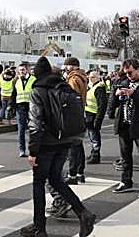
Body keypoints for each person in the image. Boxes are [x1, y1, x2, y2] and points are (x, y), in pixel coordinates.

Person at [22, 57, 96, 237]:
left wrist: (32, 151)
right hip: (65, 140)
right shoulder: (64, 86)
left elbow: (35, 125)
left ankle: (39, 227)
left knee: (39, 183)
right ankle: (82, 212)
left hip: (47, 143)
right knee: (56, 179)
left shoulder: (38, 91)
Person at [108, 59, 139, 198]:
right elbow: (113, 101)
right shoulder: (122, 81)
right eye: (126, 73)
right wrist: (116, 95)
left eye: (130, 72)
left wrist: (133, 93)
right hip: (124, 124)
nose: (128, 76)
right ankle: (125, 181)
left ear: (138, 69)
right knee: (125, 156)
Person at [62, 57, 88, 184]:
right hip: (81, 114)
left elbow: (71, 97)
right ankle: (80, 172)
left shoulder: (73, 79)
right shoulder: (82, 77)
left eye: (67, 66)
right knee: (78, 145)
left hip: (73, 116)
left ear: (72, 66)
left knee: (72, 147)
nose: (65, 68)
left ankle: (72, 174)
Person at [85, 71, 107, 164]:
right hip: (89, 115)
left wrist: (98, 120)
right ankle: (93, 152)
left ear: (98, 78)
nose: (90, 78)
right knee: (91, 136)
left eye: (93, 77)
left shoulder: (99, 88)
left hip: (94, 116)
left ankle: (96, 155)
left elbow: (102, 106)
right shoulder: (91, 86)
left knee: (95, 137)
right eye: (89, 77)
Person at [14, 64, 35, 157]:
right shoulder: (16, 81)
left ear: (27, 70)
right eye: (20, 70)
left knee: (33, 129)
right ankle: (22, 150)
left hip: (31, 107)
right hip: (20, 107)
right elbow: (13, 94)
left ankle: (32, 149)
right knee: (21, 129)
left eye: (23, 70)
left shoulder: (33, 80)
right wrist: (10, 106)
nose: (21, 71)